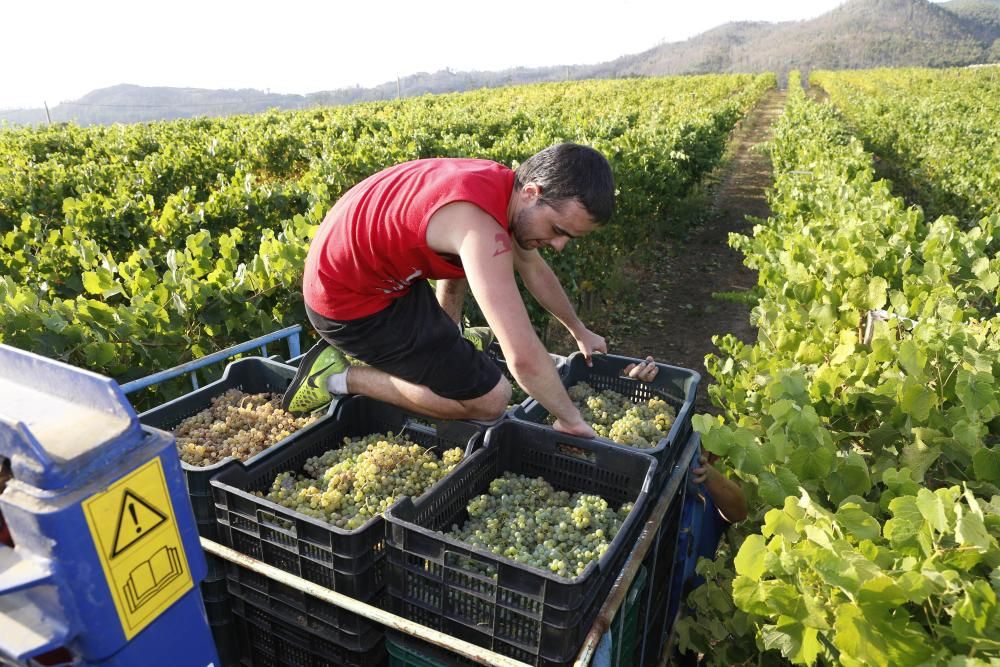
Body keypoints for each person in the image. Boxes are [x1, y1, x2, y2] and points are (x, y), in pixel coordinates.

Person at [282, 143, 659, 434]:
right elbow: (523, 357)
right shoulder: (479, 227)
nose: (559, 245)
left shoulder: (500, 188)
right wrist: (571, 420)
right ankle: (335, 377)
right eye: (559, 230)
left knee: (471, 268)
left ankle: (449, 337)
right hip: (347, 301)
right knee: (491, 399)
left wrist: (579, 329)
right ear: (532, 192)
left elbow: (533, 267)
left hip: (374, 272)